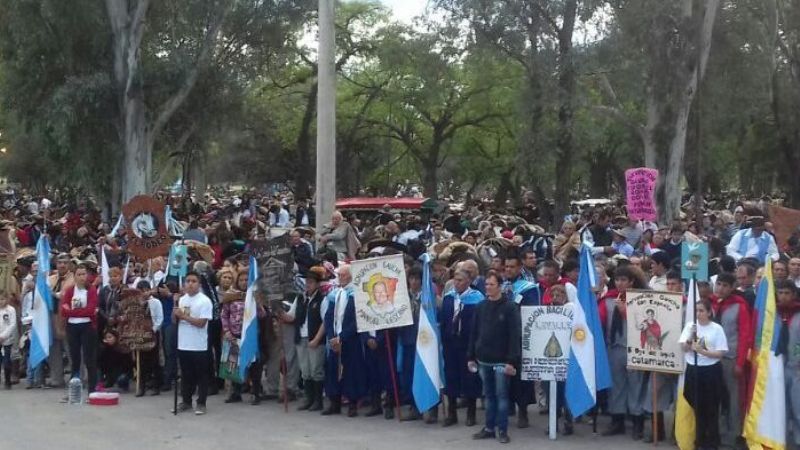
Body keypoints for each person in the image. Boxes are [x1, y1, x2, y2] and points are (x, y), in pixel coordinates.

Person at [468, 272, 521, 444]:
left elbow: (515, 336)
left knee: (502, 396)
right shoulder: (481, 306)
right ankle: (489, 428)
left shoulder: (510, 307)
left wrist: (512, 361)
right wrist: (471, 356)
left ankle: (503, 430)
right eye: (486, 285)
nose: (488, 288)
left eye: (491, 284)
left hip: (501, 361)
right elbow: (474, 333)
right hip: (483, 359)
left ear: (499, 286)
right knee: (488, 396)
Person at [602, 265, 648, 440]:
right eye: (617, 280)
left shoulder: (641, 300)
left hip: (634, 347)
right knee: (616, 385)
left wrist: (625, 312)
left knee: (635, 385)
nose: (619, 283)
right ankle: (617, 420)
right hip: (614, 347)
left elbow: (645, 325)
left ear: (631, 282)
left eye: (623, 280)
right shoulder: (609, 298)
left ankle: (637, 422)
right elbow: (601, 319)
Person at [679, 299, 728, 450]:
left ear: (709, 312)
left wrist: (703, 352)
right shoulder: (690, 326)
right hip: (694, 369)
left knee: (711, 407)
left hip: (710, 371)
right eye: (697, 311)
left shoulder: (716, 329)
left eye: (701, 311)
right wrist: (690, 337)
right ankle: (699, 440)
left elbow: (721, 353)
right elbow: (684, 348)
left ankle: (712, 441)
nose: (698, 314)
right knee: (697, 406)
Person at [711, 272, 753, 448]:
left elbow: (745, 336)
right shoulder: (709, 304)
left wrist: (740, 362)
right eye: (718, 284)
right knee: (715, 397)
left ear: (732, 288)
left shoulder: (739, 306)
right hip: (711, 358)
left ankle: (736, 433)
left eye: (725, 285)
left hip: (731, 358)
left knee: (735, 398)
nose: (720, 288)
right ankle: (717, 432)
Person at [440, 269, 484, 427]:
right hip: (451, 344)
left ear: (468, 281)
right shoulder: (448, 298)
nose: (456, 283)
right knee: (450, 376)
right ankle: (451, 413)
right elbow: (444, 319)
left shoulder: (477, 298)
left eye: (460, 280)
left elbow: (480, 324)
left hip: (468, 344)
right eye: (455, 280)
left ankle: (471, 413)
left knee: (470, 378)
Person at [322, 264, 366, 417]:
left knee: (351, 371)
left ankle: (352, 403)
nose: (339, 277)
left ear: (350, 276)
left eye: (342, 275)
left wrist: (342, 337)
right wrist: (331, 337)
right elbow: (328, 317)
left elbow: (356, 320)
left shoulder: (356, 294)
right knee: (333, 371)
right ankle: (334, 401)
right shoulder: (335, 294)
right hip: (335, 339)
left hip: (350, 339)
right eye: (338, 275)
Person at [221, 270, 267, 405]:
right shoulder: (230, 296)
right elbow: (224, 315)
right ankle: (236, 392)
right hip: (234, 335)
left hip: (250, 335)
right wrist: (227, 331)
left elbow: (263, 316)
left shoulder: (255, 296)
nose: (244, 282)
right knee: (234, 364)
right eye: (241, 280)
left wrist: (258, 304)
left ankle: (256, 392)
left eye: (247, 279)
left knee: (254, 365)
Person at [172, 271, 213, 415]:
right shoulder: (182, 300)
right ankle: (186, 401)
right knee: (185, 374)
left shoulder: (204, 301)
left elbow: (202, 323)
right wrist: (175, 304)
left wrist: (183, 316)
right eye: (188, 281)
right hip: (183, 343)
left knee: (201, 374)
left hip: (198, 345)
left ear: (199, 284)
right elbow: (174, 320)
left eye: (193, 281)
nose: (190, 284)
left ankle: (201, 402)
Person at [285, 270, 325, 411]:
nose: (308, 284)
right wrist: (278, 310)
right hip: (301, 337)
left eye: (311, 282)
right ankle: (309, 398)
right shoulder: (300, 298)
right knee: (305, 370)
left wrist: (317, 339)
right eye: (307, 282)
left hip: (314, 337)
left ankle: (318, 400)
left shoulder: (322, 299)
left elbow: (324, 322)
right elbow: (291, 317)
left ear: (318, 284)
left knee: (316, 369)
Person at [60, 263, 99, 396]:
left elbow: (91, 310)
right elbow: (64, 310)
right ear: (74, 276)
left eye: (84, 274)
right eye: (79, 274)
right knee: (75, 359)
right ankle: (74, 390)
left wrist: (74, 312)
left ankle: (92, 390)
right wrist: (77, 312)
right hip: (72, 327)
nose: (82, 277)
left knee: (89, 359)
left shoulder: (91, 290)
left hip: (87, 326)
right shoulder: (70, 290)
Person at [777, 280, 800, 449]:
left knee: (798, 406)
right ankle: (782, 440)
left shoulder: (798, 314)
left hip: (796, 366)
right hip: (777, 365)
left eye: (787, 293)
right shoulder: (773, 314)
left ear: (793, 295)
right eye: (780, 293)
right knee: (781, 406)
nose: (783, 297)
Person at [0, 294, 16, 389]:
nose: (1, 301)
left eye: (2, 299)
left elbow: (12, 324)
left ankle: (7, 381)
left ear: (6, 299)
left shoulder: (11, 310)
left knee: (6, 361)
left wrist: (3, 336)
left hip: (7, 339)